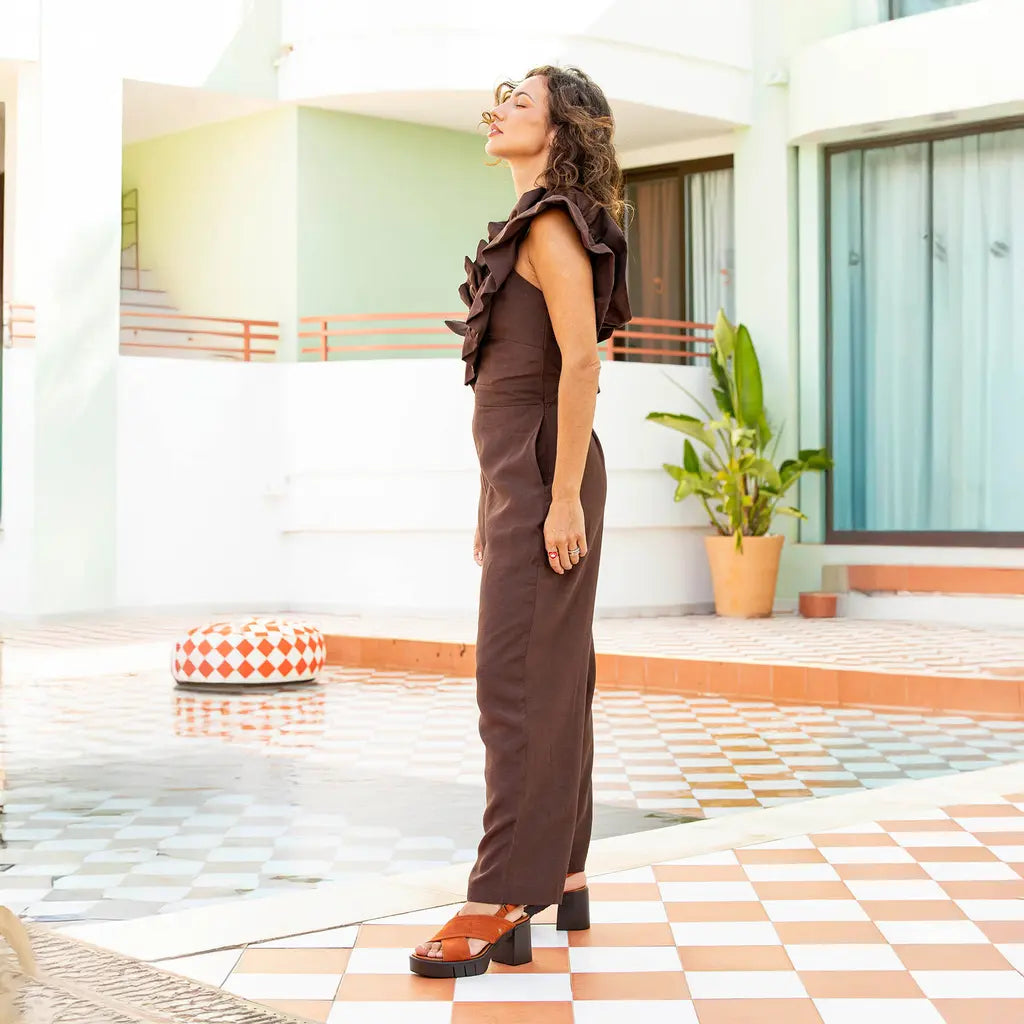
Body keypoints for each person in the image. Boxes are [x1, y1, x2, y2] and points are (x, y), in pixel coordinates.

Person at [409, 64, 630, 979]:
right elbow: (516, 387)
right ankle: (565, 873)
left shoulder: (548, 226)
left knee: (514, 687)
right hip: (526, 478)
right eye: (501, 95)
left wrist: (562, 494)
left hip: (550, 475)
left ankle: (500, 898)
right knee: (554, 677)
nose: (498, 106)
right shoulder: (531, 221)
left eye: (523, 101)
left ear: (561, 129)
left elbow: (580, 364)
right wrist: (494, 497)